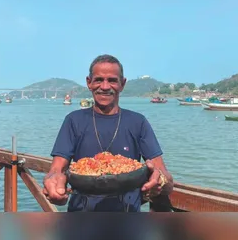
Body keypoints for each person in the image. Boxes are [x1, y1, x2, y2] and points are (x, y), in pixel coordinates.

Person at [42, 54, 174, 212]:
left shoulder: (138, 122)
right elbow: (56, 170)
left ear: (122, 84)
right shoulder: (73, 121)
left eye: (112, 80)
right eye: (98, 80)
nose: (105, 87)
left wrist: (159, 181)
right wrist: (54, 184)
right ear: (89, 83)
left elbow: (166, 177)